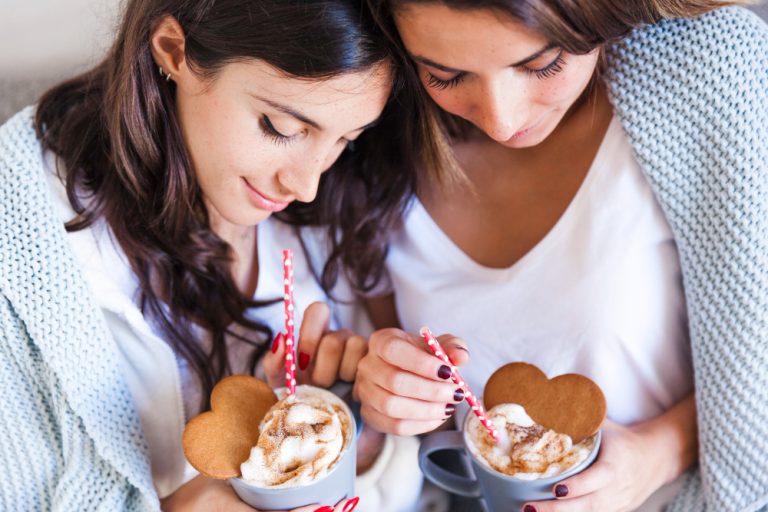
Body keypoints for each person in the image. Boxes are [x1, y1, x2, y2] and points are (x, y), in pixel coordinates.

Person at [0, 0, 428, 510]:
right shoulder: (25, 243)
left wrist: (347, 439)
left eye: (346, 140)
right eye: (282, 128)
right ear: (173, 50)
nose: (307, 184)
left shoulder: (340, 210)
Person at [343, 1, 768, 511]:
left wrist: (660, 453)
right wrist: (387, 398)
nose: (503, 121)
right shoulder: (365, 143)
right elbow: (425, 451)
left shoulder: (704, 72)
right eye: (446, 76)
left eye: (542, 64)